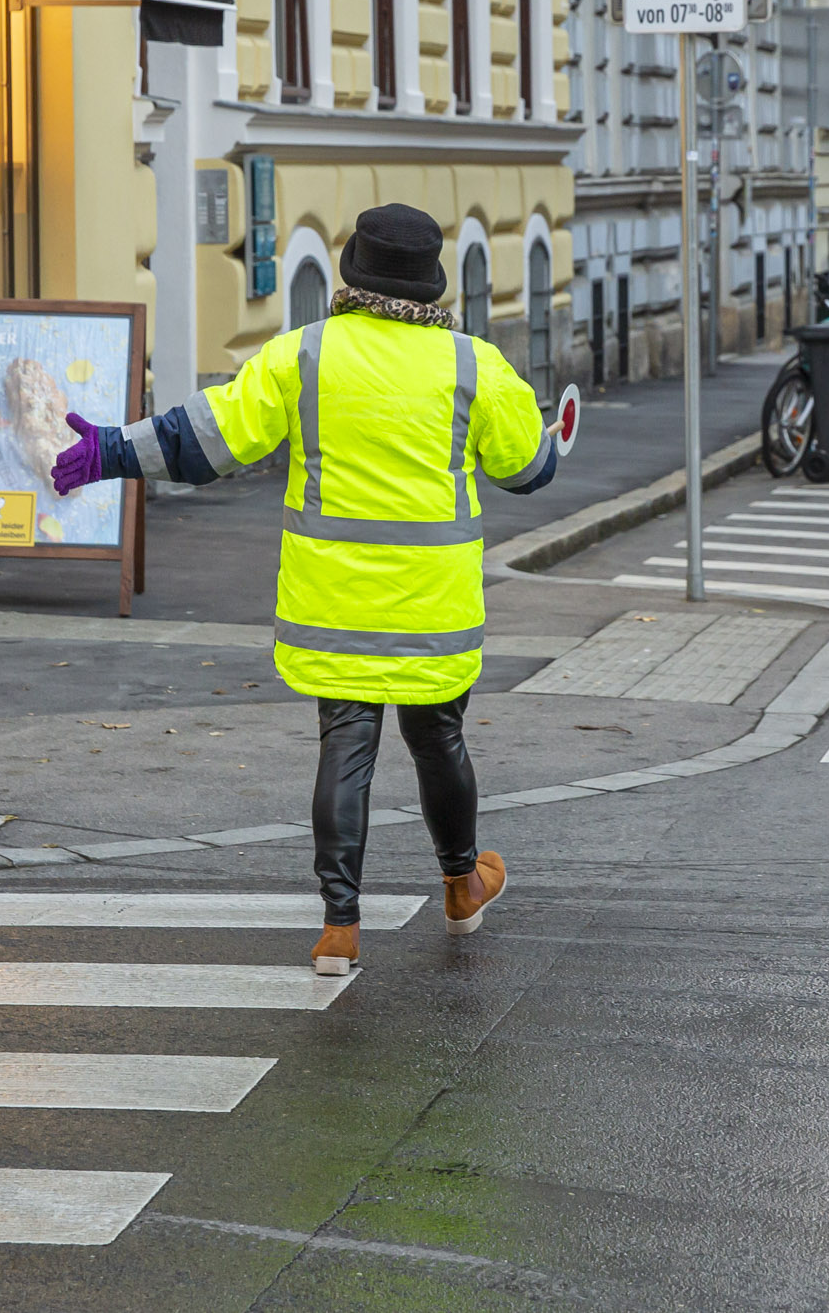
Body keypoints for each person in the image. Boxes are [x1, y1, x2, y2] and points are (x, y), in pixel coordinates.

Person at [50, 203, 563, 975]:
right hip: (433, 602)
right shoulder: (471, 363)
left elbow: (212, 437)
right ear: (431, 284)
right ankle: (462, 886)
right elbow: (525, 470)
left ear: (351, 271)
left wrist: (114, 450)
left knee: (345, 746)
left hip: (332, 598)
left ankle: (339, 929)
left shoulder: (306, 355)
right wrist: (551, 440)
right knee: (439, 740)